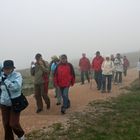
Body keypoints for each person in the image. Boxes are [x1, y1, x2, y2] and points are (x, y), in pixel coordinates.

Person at [0, 60, 25, 140]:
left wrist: (6, 81)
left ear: (12, 68)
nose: (6, 70)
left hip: (15, 103)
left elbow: (16, 87)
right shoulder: (2, 77)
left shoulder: (17, 75)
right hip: (4, 104)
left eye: (8, 68)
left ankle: (21, 135)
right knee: (6, 124)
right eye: (5, 69)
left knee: (13, 123)